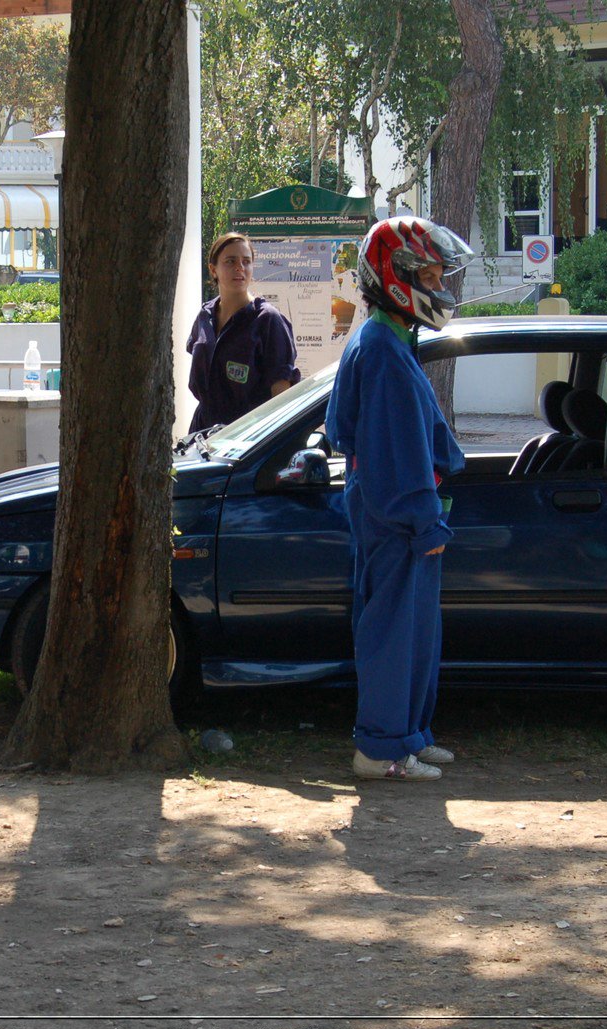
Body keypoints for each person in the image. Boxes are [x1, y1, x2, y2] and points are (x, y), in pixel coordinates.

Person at [325, 216, 473, 782]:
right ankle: (381, 751)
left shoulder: (389, 337)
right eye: (430, 274)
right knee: (392, 633)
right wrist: (423, 520)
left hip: (397, 512)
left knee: (415, 631)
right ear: (398, 276)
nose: (439, 287)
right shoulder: (383, 349)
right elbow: (395, 451)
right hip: (397, 516)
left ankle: (408, 735)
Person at [185, 232, 300, 433]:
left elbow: (281, 402)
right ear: (213, 270)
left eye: (246, 261)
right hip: (202, 439)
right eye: (230, 261)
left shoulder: (268, 321)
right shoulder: (205, 317)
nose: (239, 267)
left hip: (246, 445)